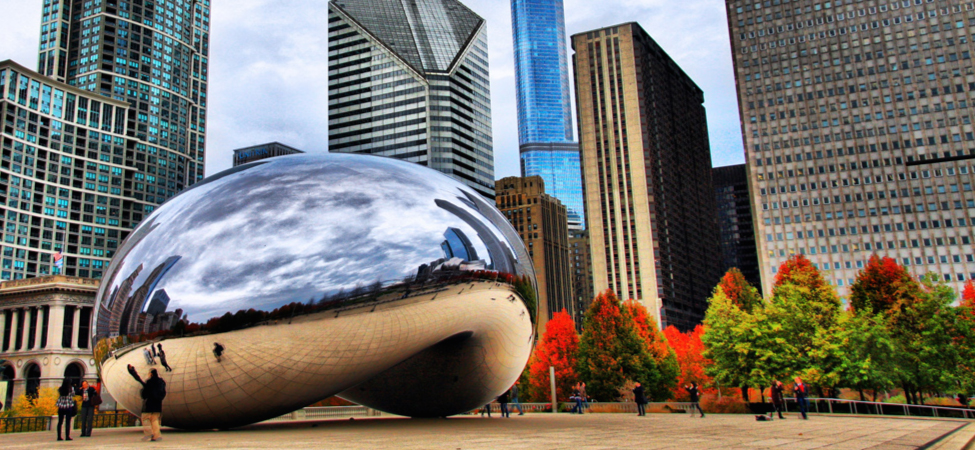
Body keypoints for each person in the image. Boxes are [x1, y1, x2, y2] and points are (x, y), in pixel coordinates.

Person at [128, 365, 167, 441]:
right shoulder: (161, 382)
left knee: (145, 418)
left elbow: (145, 393)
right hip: (158, 404)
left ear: (151, 374)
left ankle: (149, 434)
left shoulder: (149, 382)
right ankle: (157, 435)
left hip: (149, 404)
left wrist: (144, 394)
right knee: (154, 420)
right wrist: (159, 398)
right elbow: (163, 393)